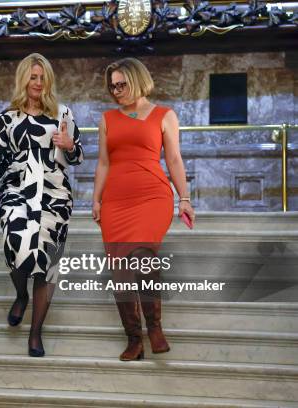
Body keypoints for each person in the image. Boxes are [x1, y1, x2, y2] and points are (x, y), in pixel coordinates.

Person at [91, 58, 195, 361]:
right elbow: (103, 162)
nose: (116, 90)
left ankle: (155, 328)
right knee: (120, 270)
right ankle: (134, 338)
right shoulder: (107, 118)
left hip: (152, 197)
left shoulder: (165, 115)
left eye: (122, 84)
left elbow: (174, 159)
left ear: (138, 80)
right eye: (112, 86)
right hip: (115, 200)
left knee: (144, 258)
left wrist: (184, 198)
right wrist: (96, 199)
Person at [0, 53, 83, 357]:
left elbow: (78, 154)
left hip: (54, 195)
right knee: (14, 248)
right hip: (16, 191)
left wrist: (69, 146)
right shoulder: (8, 117)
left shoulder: (63, 114)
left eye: (43, 76)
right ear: (24, 80)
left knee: (46, 265)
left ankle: (35, 333)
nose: (38, 82)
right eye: (33, 76)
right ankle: (21, 295)